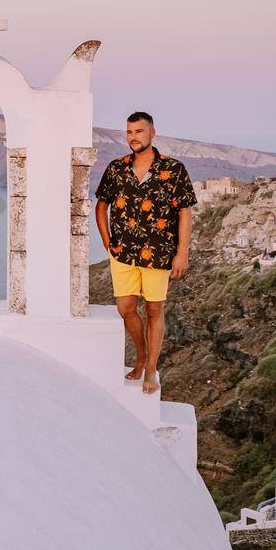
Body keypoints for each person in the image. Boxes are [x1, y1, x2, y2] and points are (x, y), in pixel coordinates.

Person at [94, 111, 197, 396]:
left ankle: (150, 368)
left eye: (139, 131)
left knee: (154, 310)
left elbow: (185, 212)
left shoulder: (173, 169)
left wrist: (182, 252)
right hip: (123, 253)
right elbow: (101, 206)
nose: (133, 137)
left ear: (152, 132)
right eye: (129, 132)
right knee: (126, 308)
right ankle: (140, 354)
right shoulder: (117, 168)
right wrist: (107, 243)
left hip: (159, 254)